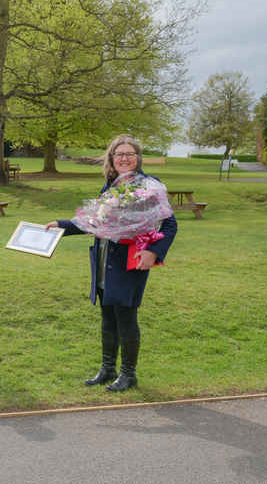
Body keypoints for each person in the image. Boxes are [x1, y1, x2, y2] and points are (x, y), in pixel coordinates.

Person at [46, 135, 177, 392]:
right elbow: (96, 223)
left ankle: (128, 374)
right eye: (120, 154)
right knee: (108, 316)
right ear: (112, 159)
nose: (125, 158)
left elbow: (170, 224)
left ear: (138, 158)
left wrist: (154, 252)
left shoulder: (149, 186)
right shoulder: (110, 187)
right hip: (104, 258)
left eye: (130, 154)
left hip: (130, 260)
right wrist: (61, 226)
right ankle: (107, 369)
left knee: (125, 316)